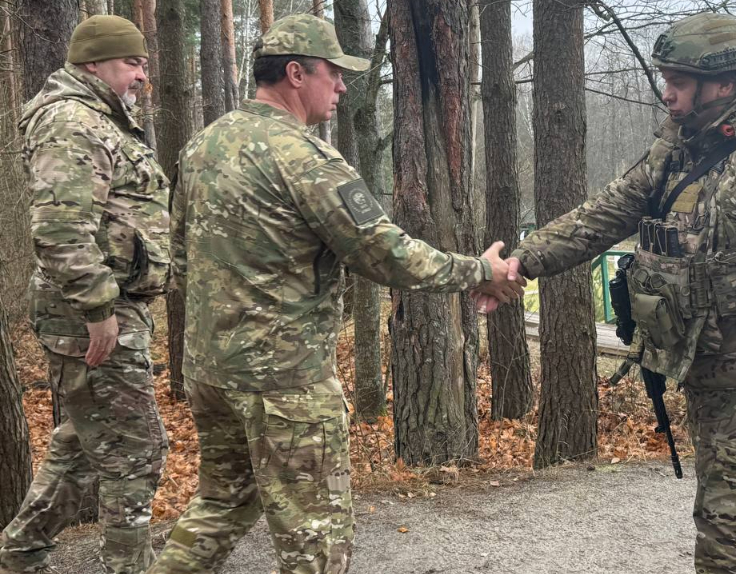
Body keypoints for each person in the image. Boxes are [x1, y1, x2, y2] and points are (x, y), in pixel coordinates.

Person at [147, 14, 522, 574]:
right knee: (315, 540)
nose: (343, 86)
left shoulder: (204, 146)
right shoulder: (305, 158)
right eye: (334, 73)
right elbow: (382, 251)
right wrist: (477, 271)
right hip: (285, 385)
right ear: (296, 74)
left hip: (210, 371)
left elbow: (176, 254)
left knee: (220, 503)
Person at [499, 13, 736, 574]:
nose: (667, 95)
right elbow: (605, 211)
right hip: (704, 369)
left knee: (730, 544)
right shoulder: (679, 151)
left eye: (678, 83)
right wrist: (522, 260)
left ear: (725, 84)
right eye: (666, 81)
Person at [0, 15, 169, 574]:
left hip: (111, 306)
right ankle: (130, 563)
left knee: (82, 444)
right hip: (91, 313)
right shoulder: (72, 121)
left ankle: (19, 554)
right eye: (131, 64)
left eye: (143, 64)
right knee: (135, 451)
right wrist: (98, 310)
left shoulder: (101, 118)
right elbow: (59, 230)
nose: (141, 76)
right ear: (93, 64)